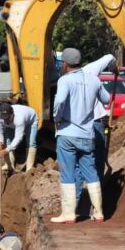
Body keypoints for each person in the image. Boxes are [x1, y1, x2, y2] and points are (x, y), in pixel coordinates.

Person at [50, 48, 110, 224]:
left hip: (67, 133)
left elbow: (60, 101)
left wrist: (57, 117)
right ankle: (98, 213)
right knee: (91, 171)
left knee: (68, 172)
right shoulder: (94, 80)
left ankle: (68, 214)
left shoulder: (65, 80)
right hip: (87, 134)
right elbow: (106, 99)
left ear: (65, 64)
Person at [75, 54, 116, 221]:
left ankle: (75, 207)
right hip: (96, 123)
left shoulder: (65, 82)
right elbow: (109, 57)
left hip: (79, 127)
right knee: (97, 162)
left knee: (78, 164)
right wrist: (114, 66)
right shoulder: (89, 70)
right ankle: (95, 207)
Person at [0, 103, 39, 172]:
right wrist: (0, 142)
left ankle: (29, 169)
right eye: (4, 119)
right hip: (12, 124)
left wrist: (6, 150)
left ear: (12, 114)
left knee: (31, 143)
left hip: (30, 121)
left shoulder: (19, 118)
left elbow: (18, 138)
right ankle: (9, 166)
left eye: (7, 118)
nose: (5, 120)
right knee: (7, 141)